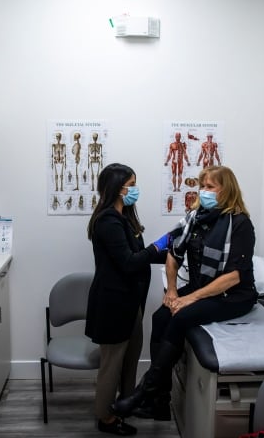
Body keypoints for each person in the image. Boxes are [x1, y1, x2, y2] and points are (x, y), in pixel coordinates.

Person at [111, 165, 258, 421]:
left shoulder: (241, 224)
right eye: (203, 186)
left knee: (179, 318)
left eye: (211, 186)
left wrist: (189, 299)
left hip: (233, 295)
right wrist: (172, 291)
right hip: (203, 286)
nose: (204, 191)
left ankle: (144, 391)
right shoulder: (195, 218)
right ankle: (159, 402)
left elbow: (234, 277)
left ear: (227, 190)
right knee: (161, 316)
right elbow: (173, 254)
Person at [86, 163, 170, 436]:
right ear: (117, 189)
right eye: (131, 184)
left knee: (130, 359)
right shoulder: (108, 221)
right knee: (111, 365)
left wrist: (172, 250)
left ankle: (123, 405)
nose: (135, 189)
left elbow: (138, 252)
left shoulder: (125, 217)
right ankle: (105, 418)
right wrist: (159, 246)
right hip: (113, 304)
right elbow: (129, 262)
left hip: (130, 302)